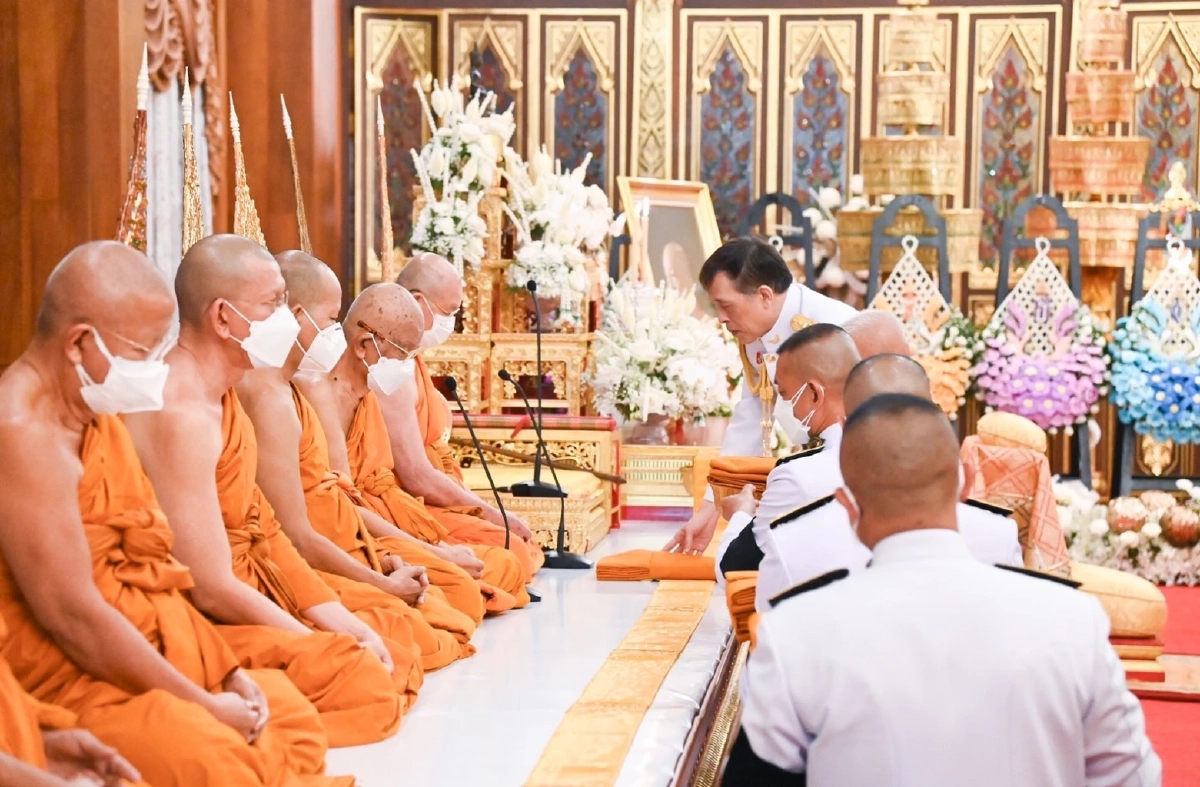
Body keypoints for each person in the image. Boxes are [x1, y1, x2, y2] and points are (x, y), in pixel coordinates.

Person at [0, 241, 348, 786]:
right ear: (80, 344)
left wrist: (223, 671)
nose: (152, 371)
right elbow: (74, 618)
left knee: (287, 718)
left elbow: (157, 569)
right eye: (141, 353)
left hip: (151, 633)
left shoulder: (94, 414)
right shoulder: (23, 432)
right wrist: (202, 701)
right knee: (220, 762)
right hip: (69, 668)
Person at [727, 394, 1161, 786]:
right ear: (967, 484)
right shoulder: (1072, 620)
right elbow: (1132, 777)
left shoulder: (796, 634)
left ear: (848, 505)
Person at [125, 234, 405, 748]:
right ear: (224, 317)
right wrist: (314, 642)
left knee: (380, 644)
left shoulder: (225, 397)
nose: (290, 322)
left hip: (254, 582)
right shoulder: (182, 411)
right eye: (274, 304)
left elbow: (269, 531)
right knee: (360, 682)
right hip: (198, 612)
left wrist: (341, 624)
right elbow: (208, 583)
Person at [236, 250, 477, 688]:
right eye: (331, 320)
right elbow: (290, 532)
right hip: (286, 564)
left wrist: (380, 561)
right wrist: (380, 584)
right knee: (396, 660)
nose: (336, 335)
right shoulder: (274, 397)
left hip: (348, 544)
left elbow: (334, 499)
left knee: (443, 616)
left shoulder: (291, 393)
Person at [297, 282, 535, 607]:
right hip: (357, 529)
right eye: (401, 356)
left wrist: (437, 547)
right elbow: (343, 506)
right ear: (365, 345)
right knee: (461, 591)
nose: (406, 367)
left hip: (388, 516)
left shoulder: (366, 393)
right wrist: (436, 552)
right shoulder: (320, 395)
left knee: (502, 565)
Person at [754, 354, 1023, 610]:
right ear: (967, 483)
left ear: (845, 427)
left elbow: (767, 645)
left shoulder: (791, 544)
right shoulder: (999, 535)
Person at [665, 238, 856, 556]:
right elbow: (750, 417)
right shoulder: (755, 330)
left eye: (726, 306)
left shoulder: (837, 325)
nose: (721, 318)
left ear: (765, 295)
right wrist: (709, 511)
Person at [383, 252, 542, 598]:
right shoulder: (388, 370)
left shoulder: (412, 360)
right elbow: (414, 475)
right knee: (511, 552)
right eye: (450, 312)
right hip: (404, 504)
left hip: (431, 499)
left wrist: (484, 508)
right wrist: (490, 513)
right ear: (418, 302)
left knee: (520, 548)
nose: (452, 322)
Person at [717, 323, 859, 580]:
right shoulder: (896, 457)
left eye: (785, 394)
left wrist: (740, 513)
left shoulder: (797, 476)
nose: (788, 410)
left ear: (815, 393)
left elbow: (733, 568)